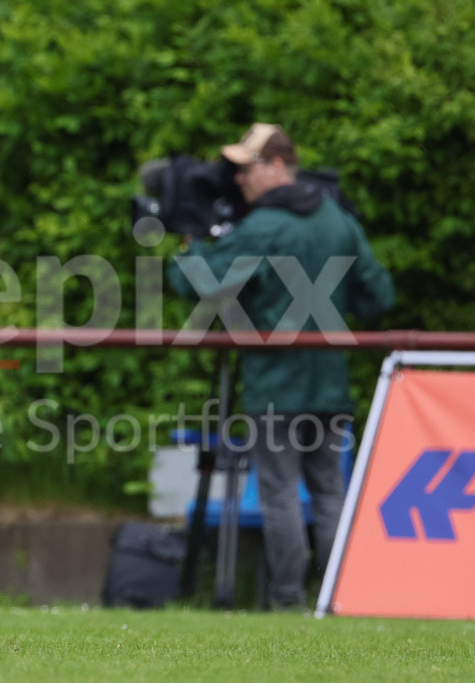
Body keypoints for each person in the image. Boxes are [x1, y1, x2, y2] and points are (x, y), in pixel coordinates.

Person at [167, 123, 394, 610]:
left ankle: (288, 600)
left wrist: (188, 245)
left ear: (277, 166)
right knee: (330, 492)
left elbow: (201, 286)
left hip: (276, 383)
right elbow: (378, 296)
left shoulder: (264, 227)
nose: (240, 181)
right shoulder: (337, 219)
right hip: (329, 382)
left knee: (279, 494)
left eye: (247, 169)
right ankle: (343, 598)